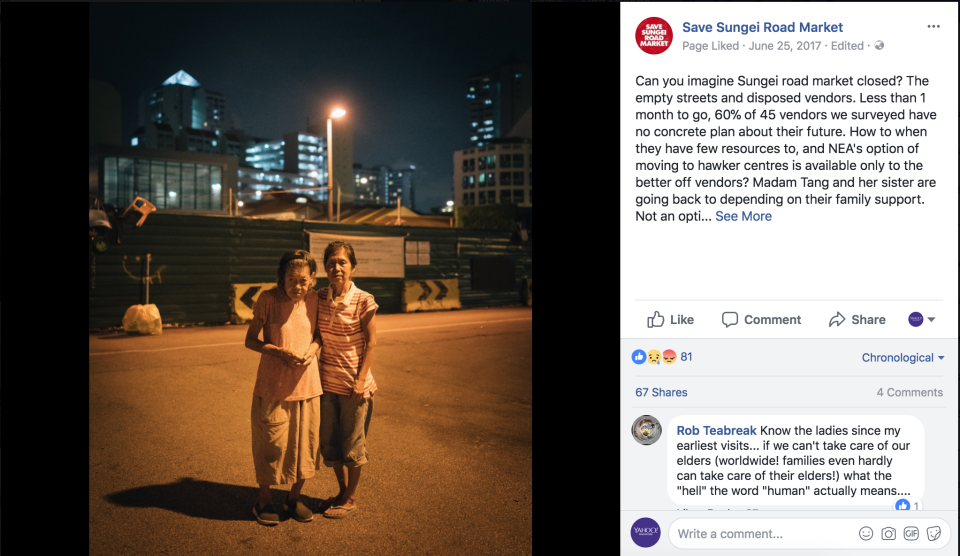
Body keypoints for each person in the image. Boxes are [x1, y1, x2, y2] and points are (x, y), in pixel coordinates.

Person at [244, 250, 323, 526]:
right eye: (291, 279)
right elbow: (250, 340)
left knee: (306, 446)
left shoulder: (315, 299)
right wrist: (280, 352)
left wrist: (312, 351)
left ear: (312, 279)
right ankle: (264, 500)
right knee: (272, 445)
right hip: (273, 386)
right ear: (282, 278)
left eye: (303, 280)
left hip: (308, 385)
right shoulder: (268, 299)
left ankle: (294, 498)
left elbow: (318, 337)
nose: (297, 286)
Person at [316, 240, 378, 519]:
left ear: (352, 266)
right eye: (331, 263)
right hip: (325, 385)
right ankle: (342, 492)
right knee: (330, 446)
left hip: (355, 387)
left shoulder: (364, 299)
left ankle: (350, 498)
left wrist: (360, 380)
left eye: (342, 262)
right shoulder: (318, 297)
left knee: (353, 446)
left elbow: (372, 343)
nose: (336, 267)